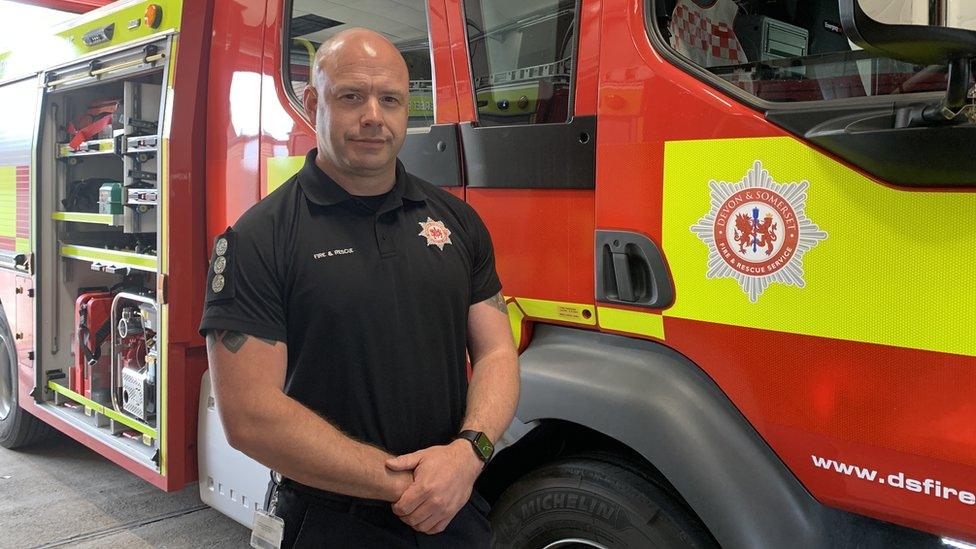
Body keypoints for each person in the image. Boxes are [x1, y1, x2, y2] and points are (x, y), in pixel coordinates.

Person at [198, 27, 520, 548]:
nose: (373, 115)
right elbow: (250, 416)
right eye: (351, 96)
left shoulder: (457, 222)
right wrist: (410, 484)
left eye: (390, 98)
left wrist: (468, 453)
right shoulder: (260, 238)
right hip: (331, 522)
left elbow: (497, 353)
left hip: (453, 506)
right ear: (311, 104)